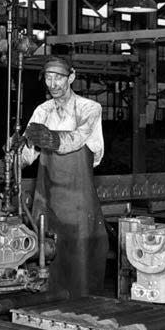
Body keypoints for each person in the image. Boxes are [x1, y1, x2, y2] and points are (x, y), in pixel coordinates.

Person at [17, 56, 108, 298]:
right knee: (46, 256)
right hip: (47, 198)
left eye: (59, 78)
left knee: (81, 260)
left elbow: (78, 138)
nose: (53, 83)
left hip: (79, 199)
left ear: (72, 77)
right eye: (48, 78)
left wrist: (53, 139)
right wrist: (8, 159)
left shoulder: (89, 109)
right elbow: (29, 154)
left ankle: (83, 307)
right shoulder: (42, 111)